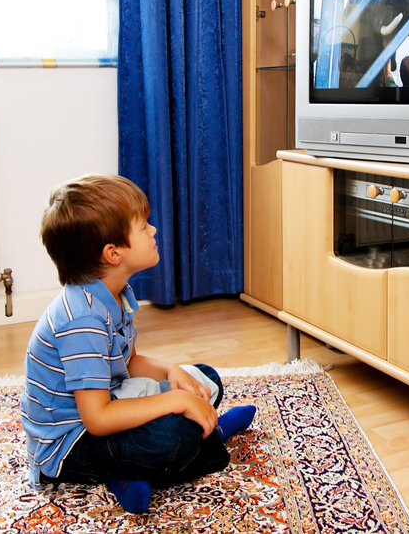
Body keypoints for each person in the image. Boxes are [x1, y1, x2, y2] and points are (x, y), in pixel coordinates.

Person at [20, 174, 256, 514]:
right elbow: (97, 419)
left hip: (112, 398)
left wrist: (171, 371)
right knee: (175, 437)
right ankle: (200, 441)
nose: (154, 231)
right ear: (113, 253)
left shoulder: (114, 295)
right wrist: (174, 401)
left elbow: (126, 362)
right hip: (73, 445)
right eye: (143, 226)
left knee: (204, 377)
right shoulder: (80, 320)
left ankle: (184, 440)